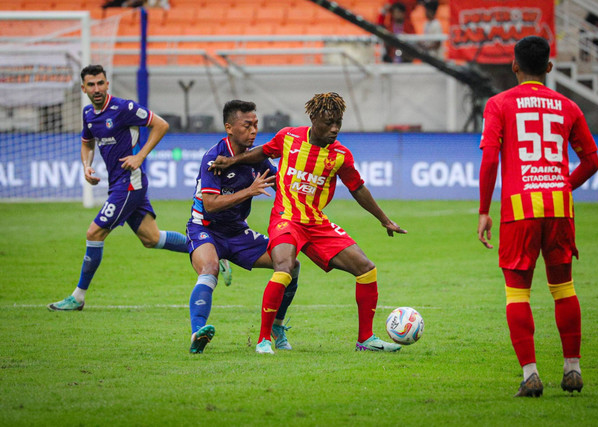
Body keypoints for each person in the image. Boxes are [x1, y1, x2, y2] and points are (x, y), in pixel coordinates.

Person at [211, 92, 407, 354]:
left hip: (316, 223)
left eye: (338, 122)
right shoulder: (289, 137)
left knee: (366, 269)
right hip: (286, 218)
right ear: (313, 118)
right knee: (284, 268)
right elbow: (263, 152)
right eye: (329, 122)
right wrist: (232, 160)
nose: (334, 128)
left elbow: (357, 188)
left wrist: (385, 220)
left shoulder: (340, 155)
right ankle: (263, 340)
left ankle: (366, 339)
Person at [47, 64, 231, 311]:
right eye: (91, 84)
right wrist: (86, 166)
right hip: (118, 184)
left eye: (100, 83)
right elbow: (87, 142)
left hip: (130, 184)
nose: (97, 88)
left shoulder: (123, 108)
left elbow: (161, 124)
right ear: (83, 88)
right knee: (151, 238)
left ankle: (78, 297)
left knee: (94, 233)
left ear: (107, 84)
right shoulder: (89, 114)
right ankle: (214, 250)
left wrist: (140, 156)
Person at [477, 36, 598, 397]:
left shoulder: (499, 104)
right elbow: (591, 161)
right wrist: (562, 187)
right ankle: (573, 369)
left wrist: (484, 210)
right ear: (549, 67)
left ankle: (531, 375)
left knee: (518, 295)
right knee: (564, 288)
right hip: (559, 208)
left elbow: (490, 160)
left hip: (519, 209)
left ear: (514, 65)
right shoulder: (568, 106)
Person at [186, 100, 300, 354]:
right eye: (247, 125)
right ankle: (197, 334)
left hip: (238, 233)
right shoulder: (213, 159)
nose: (253, 131)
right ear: (229, 127)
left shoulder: (256, 159)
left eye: (256, 125)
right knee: (210, 268)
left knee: (290, 265)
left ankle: (277, 328)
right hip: (205, 228)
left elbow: (280, 187)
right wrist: (249, 191)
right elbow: (211, 204)